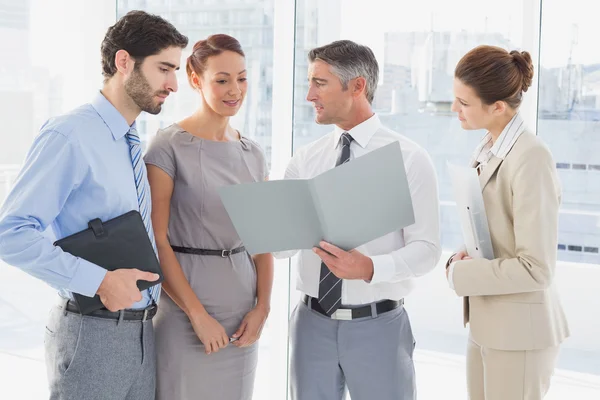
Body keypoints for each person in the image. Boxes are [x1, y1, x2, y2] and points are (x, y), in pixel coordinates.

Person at [0, 10, 188, 400]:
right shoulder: (70, 134)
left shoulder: (131, 140)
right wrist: (98, 281)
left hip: (141, 333)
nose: (173, 84)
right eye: (164, 69)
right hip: (93, 332)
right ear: (124, 62)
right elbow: (11, 233)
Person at [274, 40, 441, 400]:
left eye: (320, 83)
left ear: (358, 86)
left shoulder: (409, 159)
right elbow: (282, 249)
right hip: (310, 326)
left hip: (378, 326)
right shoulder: (306, 159)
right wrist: (267, 228)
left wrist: (369, 268)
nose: (309, 95)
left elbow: (427, 250)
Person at [144, 34, 273, 400]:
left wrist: (262, 308)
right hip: (185, 309)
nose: (235, 90)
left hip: (242, 312)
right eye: (222, 79)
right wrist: (198, 316)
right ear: (196, 79)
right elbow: (157, 238)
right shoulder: (167, 146)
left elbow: (263, 242)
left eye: (242, 78)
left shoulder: (254, 154)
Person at [447, 45, 570, 400]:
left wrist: (461, 275)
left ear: (498, 107)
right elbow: (496, 233)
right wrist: (460, 256)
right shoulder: (489, 146)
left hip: (521, 334)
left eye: (464, 102)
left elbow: (536, 268)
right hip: (489, 324)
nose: (455, 109)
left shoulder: (531, 157)